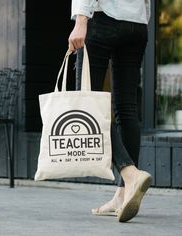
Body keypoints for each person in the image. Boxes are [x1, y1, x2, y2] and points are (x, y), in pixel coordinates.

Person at [68, 0, 152, 222]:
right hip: (137, 23)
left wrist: (81, 19)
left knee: (88, 103)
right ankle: (123, 194)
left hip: (104, 19)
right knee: (127, 108)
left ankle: (130, 173)